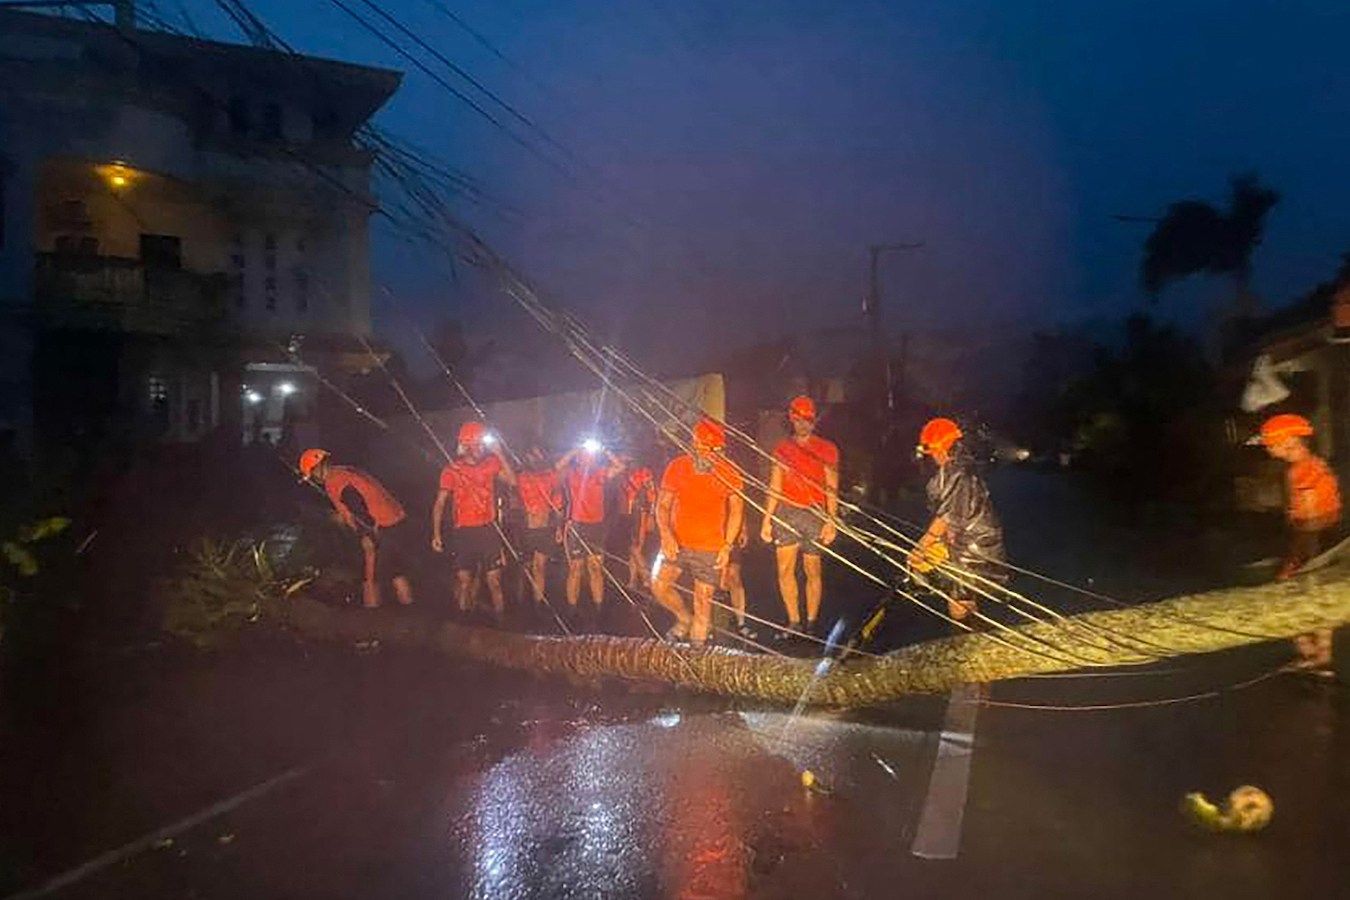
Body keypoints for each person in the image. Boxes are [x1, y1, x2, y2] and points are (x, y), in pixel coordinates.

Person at [1258, 413, 1341, 673]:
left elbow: (1310, 518)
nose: (1269, 448)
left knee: (1283, 599)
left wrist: (1295, 559)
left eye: (1272, 443)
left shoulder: (1302, 471)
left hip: (1312, 544)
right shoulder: (1318, 464)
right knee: (1322, 601)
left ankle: (1309, 655)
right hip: (1328, 542)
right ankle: (1322, 659)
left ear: (1290, 442)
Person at [654, 421, 745, 644]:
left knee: (703, 602)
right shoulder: (678, 466)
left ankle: (696, 657)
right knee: (658, 585)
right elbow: (663, 504)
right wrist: (665, 535)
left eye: (715, 451)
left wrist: (727, 546)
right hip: (677, 541)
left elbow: (737, 510)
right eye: (705, 449)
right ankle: (684, 619)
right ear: (694, 445)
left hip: (710, 546)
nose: (710, 456)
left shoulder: (729, 471)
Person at [910, 417, 1007, 623]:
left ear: (943, 448)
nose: (932, 456)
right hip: (966, 541)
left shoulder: (958, 473)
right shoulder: (955, 469)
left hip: (974, 545)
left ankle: (972, 641)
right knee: (963, 599)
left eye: (934, 451)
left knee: (959, 605)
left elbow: (948, 515)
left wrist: (921, 546)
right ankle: (974, 638)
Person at [760, 396, 839, 638]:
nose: (803, 424)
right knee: (785, 570)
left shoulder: (827, 449)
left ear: (814, 420)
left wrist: (831, 521)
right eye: (798, 419)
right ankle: (794, 623)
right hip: (787, 512)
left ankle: (812, 623)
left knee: (812, 570)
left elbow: (832, 488)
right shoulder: (782, 449)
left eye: (808, 420)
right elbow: (774, 486)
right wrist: (766, 519)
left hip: (815, 513)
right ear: (791, 420)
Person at [299, 448, 413, 609]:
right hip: (398, 522)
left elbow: (356, 506)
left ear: (316, 470)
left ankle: (371, 621)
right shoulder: (346, 470)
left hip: (379, 528)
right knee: (396, 572)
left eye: (312, 476)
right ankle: (409, 614)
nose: (313, 480)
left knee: (370, 578)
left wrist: (366, 536)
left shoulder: (334, 481)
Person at [432, 422, 516, 620]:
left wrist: (501, 454)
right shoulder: (451, 470)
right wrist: (435, 534)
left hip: (487, 529)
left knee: (494, 580)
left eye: (481, 444)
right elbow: (439, 503)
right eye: (475, 444)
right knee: (464, 581)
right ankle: (463, 622)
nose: (480, 448)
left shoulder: (491, 463)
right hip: (463, 532)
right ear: (465, 446)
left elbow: (513, 481)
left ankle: (502, 624)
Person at [557, 438, 623, 617]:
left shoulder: (599, 473)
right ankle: (571, 610)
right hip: (577, 526)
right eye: (584, 456)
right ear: (578, 458)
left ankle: (598, 608)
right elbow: (557, 467)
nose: (587, 459)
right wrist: (575, 448)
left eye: (590, 456)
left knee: (595, 568)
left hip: (597, 526)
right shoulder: (571, 473)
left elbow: (619, 468)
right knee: (576, 568)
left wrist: (605, 450)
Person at [515, 444, 564, 606]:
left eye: (539, 455)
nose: (536, 458)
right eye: (532, 455)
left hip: (544, 529)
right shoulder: (521, 476)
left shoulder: (549, 476)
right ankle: (521, 601)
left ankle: (538, 604)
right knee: (525, 568)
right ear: (527, 457)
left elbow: (557, 504)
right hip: (526, 529)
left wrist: (558, 528)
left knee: (540, 567)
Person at [615, 452, 657, 589]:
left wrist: (651, 515)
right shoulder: (622, 474)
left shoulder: (644, 472)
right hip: (626, 514)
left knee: (636, 548)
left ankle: (647, 579)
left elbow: (652, 494)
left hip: (639, 513)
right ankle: (633, 580)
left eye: (624, 457)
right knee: (631, 549)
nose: (622, 460)